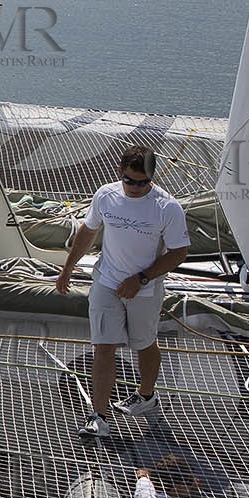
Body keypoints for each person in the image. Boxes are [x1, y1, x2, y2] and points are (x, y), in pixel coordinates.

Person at [55, 145, 190, 438]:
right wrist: (67, 268)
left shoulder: (167, 207)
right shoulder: (105, 195)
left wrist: (141, 278)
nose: (135, 187)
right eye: (130, 180)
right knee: (103, 347)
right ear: (120, 173)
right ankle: (99, 416)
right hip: (106, 282)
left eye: (142, 182)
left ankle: (146, 396)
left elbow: (179, 252)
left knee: (144, 344)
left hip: (145, 289)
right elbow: (89, 231)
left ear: (151, 178)